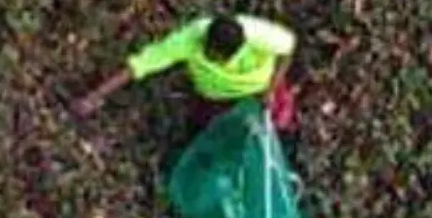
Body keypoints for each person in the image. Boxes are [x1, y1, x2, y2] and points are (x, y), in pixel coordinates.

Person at [74, 12, 299, 133]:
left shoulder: (259, 34)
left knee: (278, 127)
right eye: (214, 58)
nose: (220, 62)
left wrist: (271, 88)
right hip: (215, 100)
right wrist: (95, 95)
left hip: (262, 93)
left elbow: (288, 49)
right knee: (213, 135)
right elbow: (142, 64)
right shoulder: (189, 40)